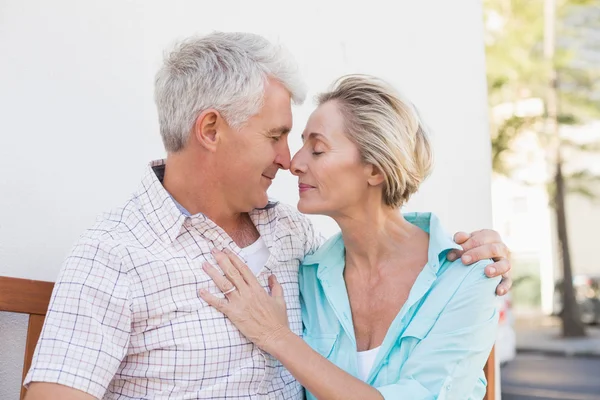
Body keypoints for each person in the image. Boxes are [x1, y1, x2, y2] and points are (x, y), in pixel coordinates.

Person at [24, 33, 511, 400]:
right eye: (276, 136)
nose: (288, 159)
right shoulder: (115, 253)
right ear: (211, 129)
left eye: (307, 145)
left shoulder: (296, 240)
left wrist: (481, 253)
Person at [200, 75, 503, 399]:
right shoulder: (308, 274)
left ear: (375, 169)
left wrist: (277, 336)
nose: (295, 163)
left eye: (317, 150)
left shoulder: (469, 277)